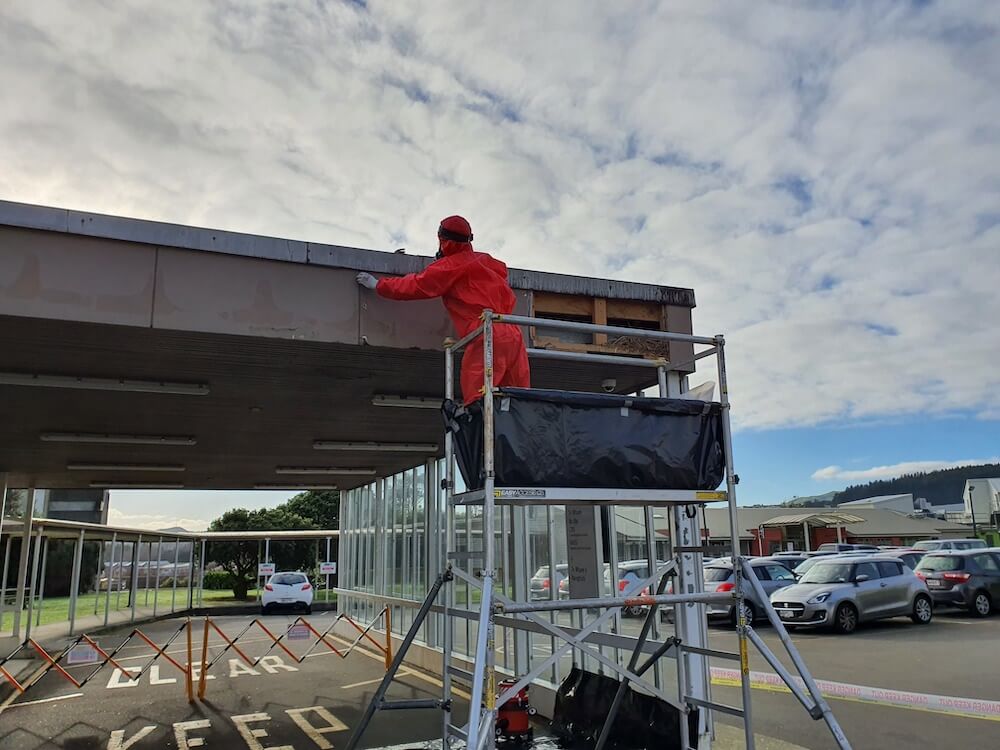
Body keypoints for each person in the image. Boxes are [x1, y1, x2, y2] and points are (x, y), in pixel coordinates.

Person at [356, 215, 530, 404]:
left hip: (486, 333)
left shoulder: (450, 266)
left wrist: (378, 285)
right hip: (513, 332)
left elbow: (416, 285)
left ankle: (480, 433)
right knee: (517, 401)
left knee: (478, 401)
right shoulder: (486, 261)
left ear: (443, 240)